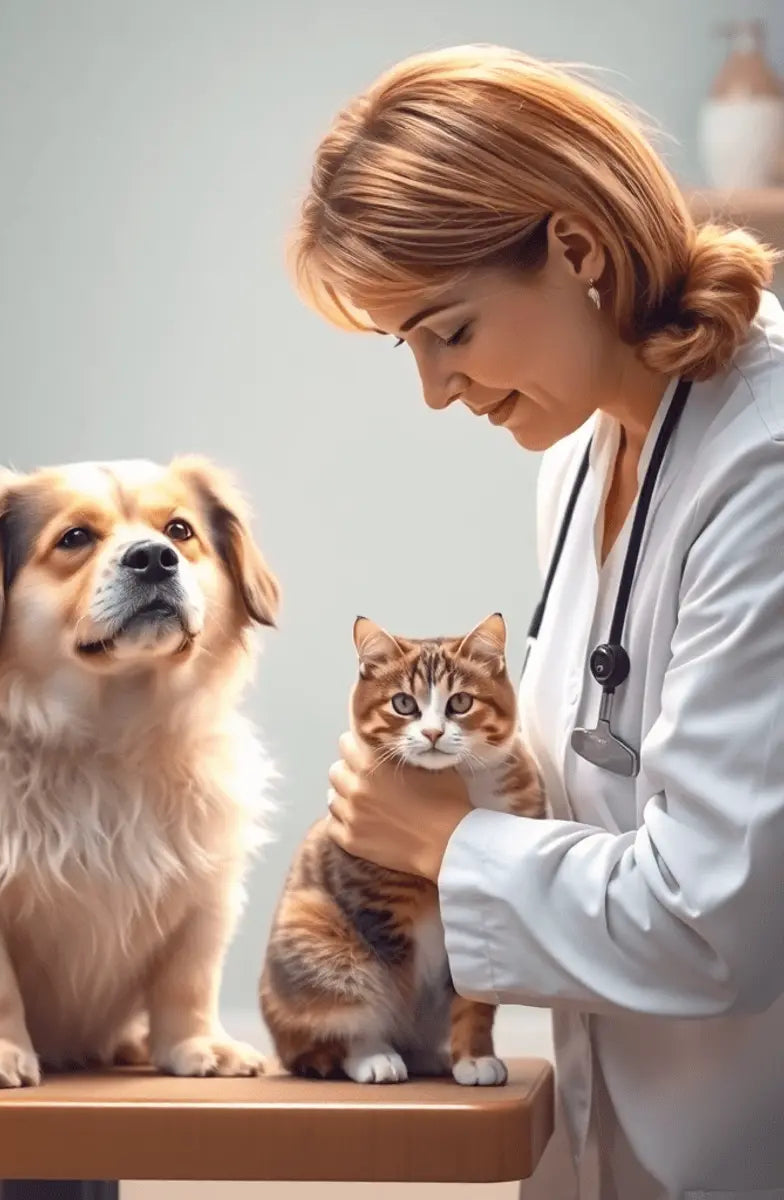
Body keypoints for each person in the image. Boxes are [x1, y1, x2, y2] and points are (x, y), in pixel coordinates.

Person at [304, 45, 784, 1200]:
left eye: (450, 331)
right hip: (613, 1130)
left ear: (576, 247)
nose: (433, 389)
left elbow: (716, 918)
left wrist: (437, 836)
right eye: (405, 347)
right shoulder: (576, 455)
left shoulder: (764, 463)